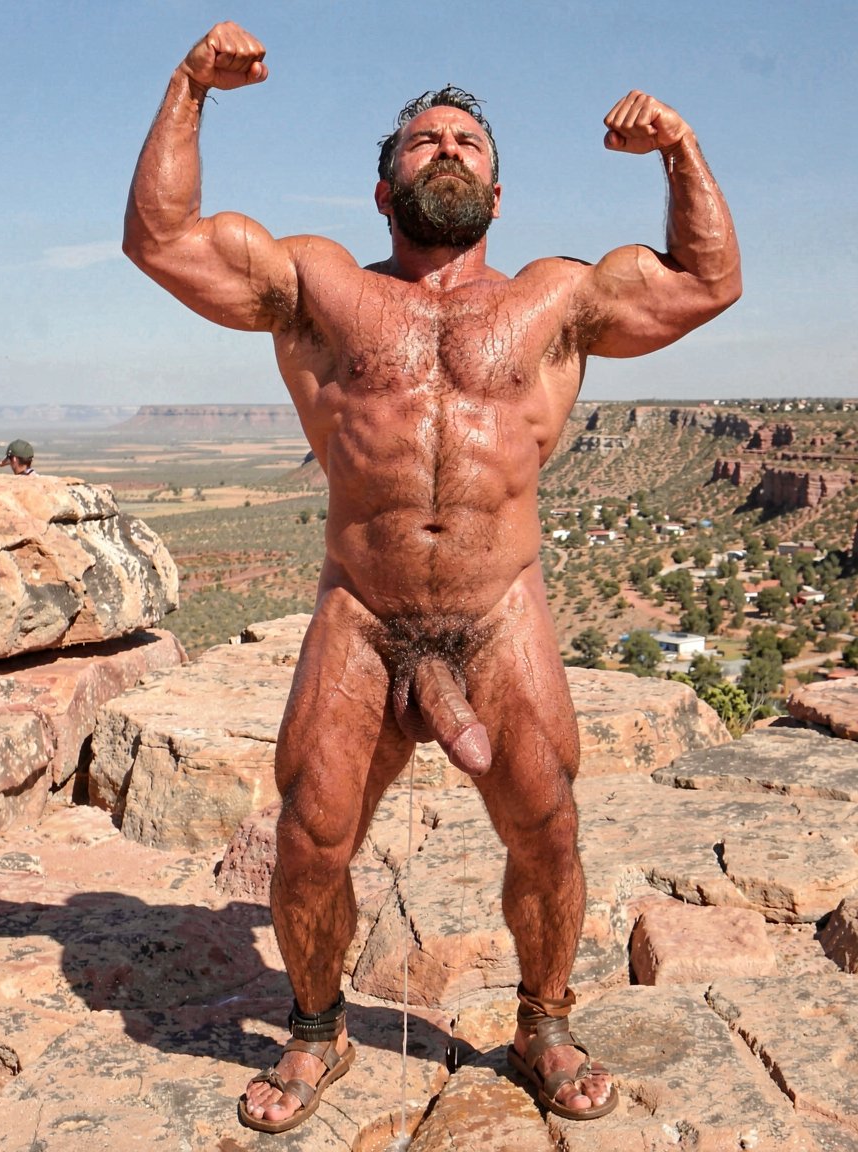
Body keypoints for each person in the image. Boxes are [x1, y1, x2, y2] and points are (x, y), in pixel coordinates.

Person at [123, 22, 741, 1134]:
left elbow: (707, 280)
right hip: (361, 615)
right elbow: (161, 238)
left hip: (498, 613)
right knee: (311, 837)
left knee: (546, 828)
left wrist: (678, 148)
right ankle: (318, 1030)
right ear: (382, 188)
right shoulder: (319, 286)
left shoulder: (555, 298)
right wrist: (189, 87)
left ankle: (544, 1023)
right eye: (422, 140)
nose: (445, 148)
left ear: (497, 194)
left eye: (466, 141)